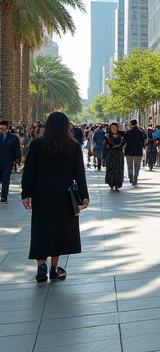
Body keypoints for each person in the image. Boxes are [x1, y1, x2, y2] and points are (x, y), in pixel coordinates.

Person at [21, 111, 89, 282]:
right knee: (59, 231)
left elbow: (28, 172)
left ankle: (41, 265)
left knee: (41, 229)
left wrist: (26, 194)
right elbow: (80, 174)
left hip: (41, 194)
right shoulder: (73, 146)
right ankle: (54, 268)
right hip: (64, 195)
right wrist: (84, 196)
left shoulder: (36, 145)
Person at [0, 120, 23, 202]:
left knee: (5, 178)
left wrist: (18, 159)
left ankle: (4, 196)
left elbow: (17, 150)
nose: (1, 129)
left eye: (3, 127)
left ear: (7, 128)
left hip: (8, 162)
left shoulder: (13, 138)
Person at [104, 122, 126, 192]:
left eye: (114, 127)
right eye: (112, 128)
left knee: (118, 169)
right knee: (111, 169)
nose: (113, 129)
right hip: (111, 155)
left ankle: (117, 183)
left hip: (119, 155)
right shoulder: (107, 136)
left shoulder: (121, 136)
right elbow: (106, 146)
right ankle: (111, 183)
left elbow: (124, 143)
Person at [123, 119, 147, 186]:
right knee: (137, 166)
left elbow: (124, 142)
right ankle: (135, 179)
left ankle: (131, 177)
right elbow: (143, 141)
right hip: (138, 151)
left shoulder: (128, 132)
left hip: (129, 151)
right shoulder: (140, 132)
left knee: (129, 165)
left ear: (131, 124)